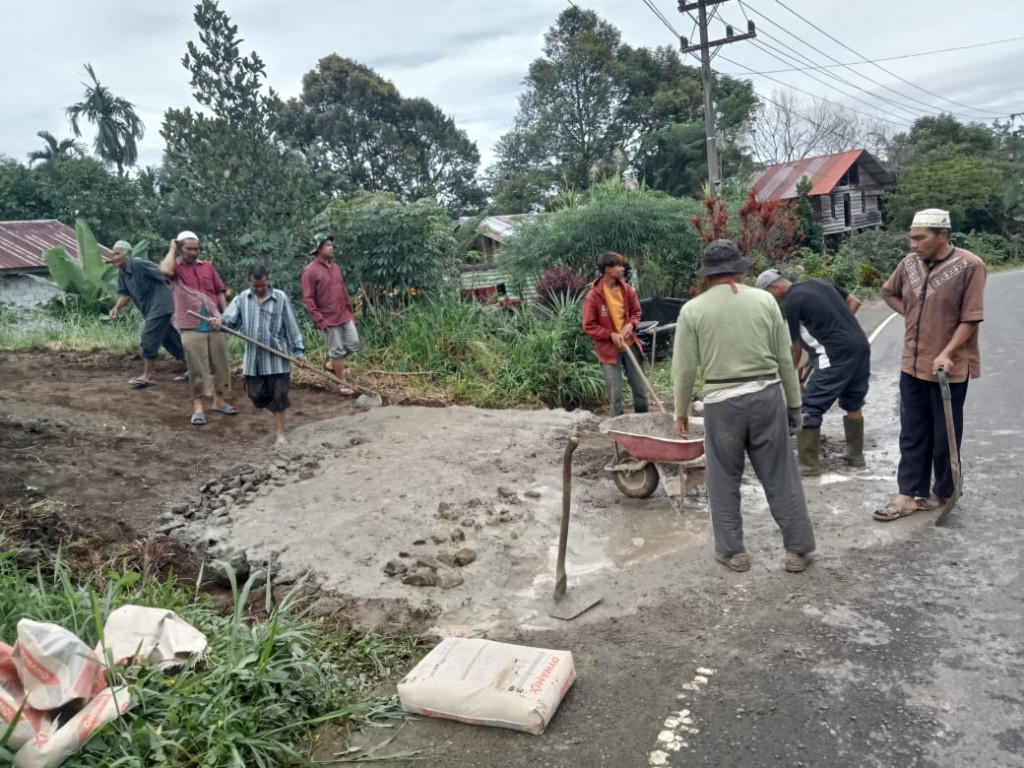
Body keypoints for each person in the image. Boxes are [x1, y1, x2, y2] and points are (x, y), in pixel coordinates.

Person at [672, 240, 815, 573]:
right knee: (781, 475)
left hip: (723, 405)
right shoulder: (765, 300)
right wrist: (794, 405)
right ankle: (798, 550)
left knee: (723, 480)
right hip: (767, 397)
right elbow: (784, 358)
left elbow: (684, 370)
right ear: (739, 269)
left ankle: (733, 552)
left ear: (707, 275)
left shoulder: (692, 310)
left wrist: (680, 412)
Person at [873, 209, 986, 521]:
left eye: (920, 238)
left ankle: (942, 492)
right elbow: (887, 291)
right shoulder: (908, 265)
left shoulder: (970, 266)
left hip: (947, 369)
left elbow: (971, 318)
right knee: (912, 432)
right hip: (912, 363)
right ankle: (907, 495)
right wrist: (910, 314)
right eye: (911, 237)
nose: (913, 244)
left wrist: (948, 351)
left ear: (941, 235)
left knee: (944, 434)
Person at [755, 268, 870, 476]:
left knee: (809, 406)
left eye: (768, 294)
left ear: (774, 287)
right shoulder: (820, 283)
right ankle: (856, 457)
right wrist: (836, 326)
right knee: (853, 401)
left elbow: (796, 349)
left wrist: (792, 379)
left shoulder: (790, 302)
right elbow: (854, 302)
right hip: (860, 346)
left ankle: (808, 467)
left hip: (835, 355)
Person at [213, 265, 305, 445]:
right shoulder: (242, 299)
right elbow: (231, 321)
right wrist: (220, 321)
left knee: (279, 397)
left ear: (268, 279)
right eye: (256, 286)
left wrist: (298, 350)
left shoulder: (280, 298)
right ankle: (279, 410)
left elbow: (292, 326)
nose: (260, 289)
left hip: (278, 359)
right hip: (254, 360)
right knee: (254, 395)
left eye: (262, 285)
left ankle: (280, 434)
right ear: (250, 282)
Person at [159, 231, 237, 426]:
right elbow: (165, 272)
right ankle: (198, 408)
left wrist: (224, 317)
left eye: (196, 249)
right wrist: (172, 249)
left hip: (214, 323)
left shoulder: (208, 267)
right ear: (180, 248)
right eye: (189, 249)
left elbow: (219, 291)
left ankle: (219, 401)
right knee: (196, 368)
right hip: (191, 326)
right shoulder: (175, 267)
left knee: (220, 365)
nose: (194, 252)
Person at [107, 240, 186, 388]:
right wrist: (116, 308)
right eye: (113, 254)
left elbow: (165, 274)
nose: (114, 257)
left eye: (117, 253)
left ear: (127, 254)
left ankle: (147, 376)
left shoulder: (138, 264)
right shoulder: (122, 272)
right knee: (170, 339)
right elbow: (125, 294)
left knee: (148, 336)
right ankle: (194, 368)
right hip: (150, 309)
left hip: (161, 305)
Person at [582, 251, 648, 417]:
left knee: (640, 389)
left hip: (630, 346)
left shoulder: (627, 291)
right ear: (607, 269)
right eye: (618, 266)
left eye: (622, 265)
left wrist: (631, 325)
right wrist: (610, 334)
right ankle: (620, 435)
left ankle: (645, 426)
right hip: (609, 352)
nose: (622, 269)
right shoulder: (594, 296)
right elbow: (588, 326)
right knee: (615, 395)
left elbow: (636, 312)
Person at [301, 233, 358, 395]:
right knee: (337, 350)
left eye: (331, 245)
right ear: (318, 249)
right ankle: (342, 383)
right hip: (327, 318)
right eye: (327, 245)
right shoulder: (309, 271)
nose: (331, 247)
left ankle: (332, 365)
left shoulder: (336, 267)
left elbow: (343, 291)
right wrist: (319, 319)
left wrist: (350, 312)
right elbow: (308, 298)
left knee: (354, 344)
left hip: (343, 314)